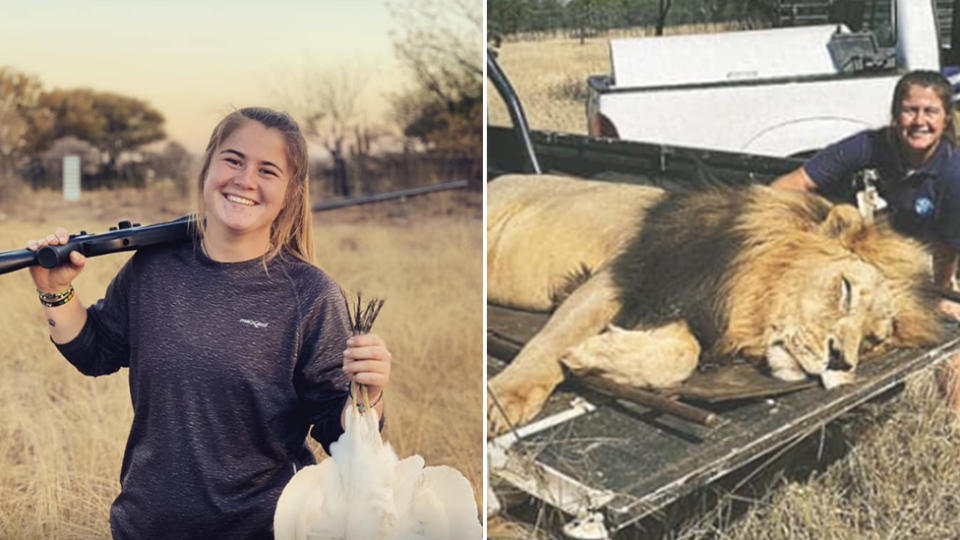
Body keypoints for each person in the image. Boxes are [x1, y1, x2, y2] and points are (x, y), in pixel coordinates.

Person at [24, 107, 392, 539]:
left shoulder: (309, 294)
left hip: (264, 529)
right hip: (145, 527)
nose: (245, 180)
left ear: (291, 193)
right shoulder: (152, 270)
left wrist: (369, 395)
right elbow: (95, 351)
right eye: (233, 160)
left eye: (268, 170)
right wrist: (56, 290)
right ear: (207, 168)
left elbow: (340, 435)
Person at [771, 70, 960, 320]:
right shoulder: (871, 144)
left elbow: (946, 250)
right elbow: (800, 180)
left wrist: (940, 293)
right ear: (895, 115)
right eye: (910, 110)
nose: (919, 121)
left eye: (930, 111)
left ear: (946, 119)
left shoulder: (953, 172)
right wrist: (769, 216)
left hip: (938, 257)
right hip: (888, 246)